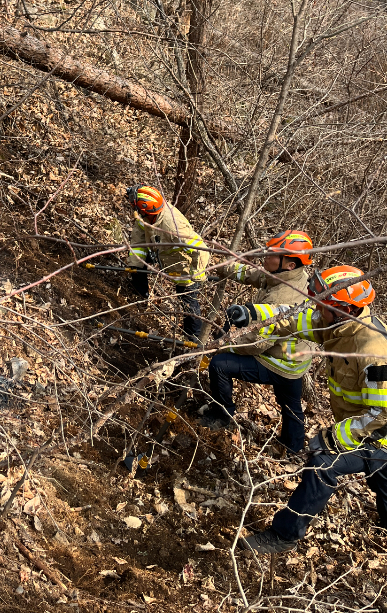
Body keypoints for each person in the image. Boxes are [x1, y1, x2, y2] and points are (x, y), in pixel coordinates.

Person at [240, 266, 387, 554]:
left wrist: (332, 438)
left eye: (323, 306)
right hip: (369, 431)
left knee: (322, 464)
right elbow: (295, 318)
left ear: (344, 309)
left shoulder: (373, 352)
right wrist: (253, 313)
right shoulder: (338, 325)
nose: (317, 311)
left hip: (379, 434)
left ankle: (284, 535)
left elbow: (381, 414)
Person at [198, 230, 314, 454]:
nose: (266, 256)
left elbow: (256, 343)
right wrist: (220, 268)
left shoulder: (284, 295)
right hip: (295, 361)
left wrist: (223, 345)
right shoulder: (287, 275)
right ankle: (293, 447)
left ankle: (222, 415)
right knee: (290, 404)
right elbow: (253, 274)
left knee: (220, 365)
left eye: (272, 254)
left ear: (289, 264)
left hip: (278, 360)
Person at [126, 186, 209, 342]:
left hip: (183, 267)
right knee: (137, 268)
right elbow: (138, 240)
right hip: (161, 252)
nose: (133, 208)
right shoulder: (146, 217)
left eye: (136, 205)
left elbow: (201, 249)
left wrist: (196, 274)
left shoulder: (173, 226)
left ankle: (194, 342)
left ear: (146, 209)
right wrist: (135, 265)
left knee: (188, 304)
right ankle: (140, 298)